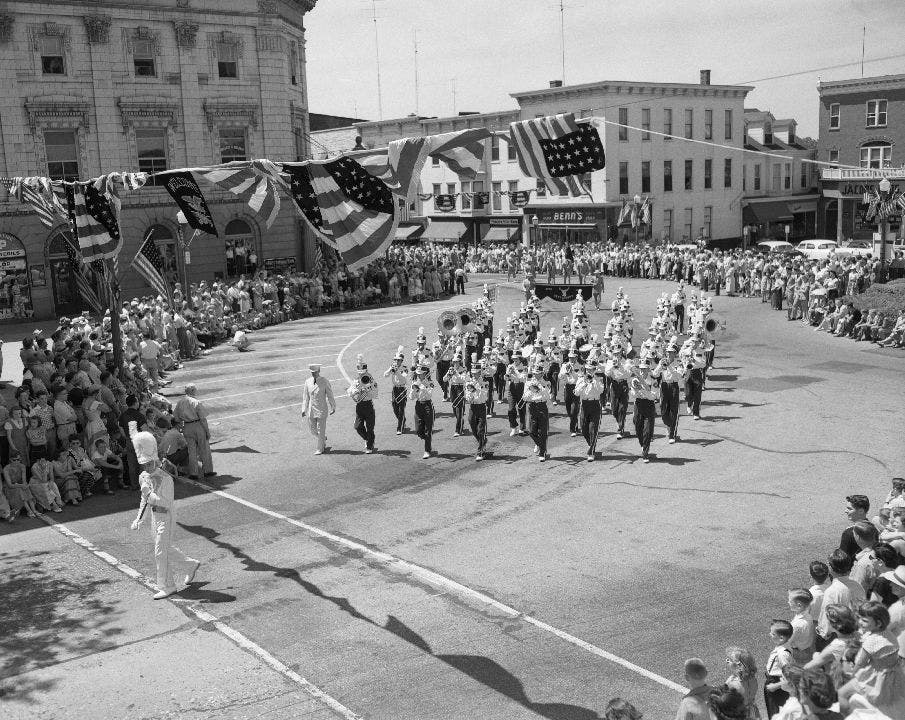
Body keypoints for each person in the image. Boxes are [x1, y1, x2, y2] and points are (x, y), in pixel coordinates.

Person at [129, 429, 201, 600]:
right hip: (155, 517)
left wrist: (149, 494)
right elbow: (143, 500)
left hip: (167, 516)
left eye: (149, 463)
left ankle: (167, 586)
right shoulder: (143, 477)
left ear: (156, 461)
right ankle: (190, 565)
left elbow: (164, 502)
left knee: (160, 552)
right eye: (144, 465)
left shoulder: (166, 479)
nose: (147, 467)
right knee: (165, 548)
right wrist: (139, 518)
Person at [173, 383, 214, 478]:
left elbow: (176, 417)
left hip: (187, 426)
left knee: (191, 451)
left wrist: (183, 424)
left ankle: (194, 472)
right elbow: (203, 419)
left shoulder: (180, 402)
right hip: (198, 425)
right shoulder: (196, 402)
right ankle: (207, 471)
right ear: (192, 391)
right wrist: (207, 432)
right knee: (204, 449)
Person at [301, 363, 335, 455]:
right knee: (313, 430)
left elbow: (330, 395)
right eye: (312, 372)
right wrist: (304, 409)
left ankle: (320, 448)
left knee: (321, 430)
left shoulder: (324, 381)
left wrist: (333, 406)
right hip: (311, 410)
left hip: (322, 409)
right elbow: (305, 397)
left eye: (315, 372)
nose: (313, 374)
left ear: (319, 371)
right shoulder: (307, 381)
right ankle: (323, 438)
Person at [763, 620, 794, 718]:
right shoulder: (783, 646)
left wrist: (775, 686)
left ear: (781, 638)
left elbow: (789, 675)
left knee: (775, 711)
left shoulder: (782, 654)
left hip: (776, 684)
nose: (769, 634)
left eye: (772, 633)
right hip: (775, 681)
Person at [630, 358, 658, 463]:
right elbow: (632, 394)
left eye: (644, 369)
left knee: (647, 430)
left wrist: (644, 391)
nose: (642, 371)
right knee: (638, 427)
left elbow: (654, 396)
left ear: (648, 369)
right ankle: (643, 444)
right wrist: (637, 390)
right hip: (639, 404)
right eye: (641, 369)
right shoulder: (635, 380)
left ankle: (645, 453)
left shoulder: (653, 381)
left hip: (649, 405)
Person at [576, 362, 605, 462]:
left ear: (594, 370)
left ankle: (591, 452)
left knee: (593, 429)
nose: (589, 371)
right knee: (584, 429)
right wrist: (584, 383)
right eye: (588, 369)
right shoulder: (580, 379)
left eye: (591, 369)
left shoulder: (598, 379)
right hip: (584, 404)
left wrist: (593, 381)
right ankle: (592, 445)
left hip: (595, 404)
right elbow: (576, 393)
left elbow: (600, 390)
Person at [348, 356, 378, 453]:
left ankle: (369, 446)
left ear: (366, 370)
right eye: (360, 373)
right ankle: (368, 439)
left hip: (368, 405)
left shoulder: (371, 380)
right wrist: (354, 391)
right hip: (359, 406)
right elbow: (349, 391)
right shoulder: (356, 380)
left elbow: (375, 394)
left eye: (363, 373)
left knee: (370, 428)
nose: (361, 375)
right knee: (357, 426)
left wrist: (368, 389)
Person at [724, 646, 760, 719]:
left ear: (737, 666)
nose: (727, 661)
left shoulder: (732, 682)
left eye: (729, 660)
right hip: (752, 711)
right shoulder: (753, 679)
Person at [464, 357, 489, 461]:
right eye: (473, 373)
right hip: (472, 407)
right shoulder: (469, 382)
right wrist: (470, 392)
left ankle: (480, 451)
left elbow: (484, 397)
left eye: (476, 373)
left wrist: (475, 390)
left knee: (481, 430)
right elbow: (468, 398)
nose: (474, 375)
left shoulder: (484, 382)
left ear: (480, 372)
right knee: (473, 427)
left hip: (481, 407)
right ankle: (482, 442)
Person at [409, 364, 435, 459]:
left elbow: (430, 395)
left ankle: (427, 450)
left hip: (427, 405)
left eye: (421, 374)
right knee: (419, 430)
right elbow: (411, 397)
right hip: (418, 406)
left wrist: (423, 386)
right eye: (418, 374)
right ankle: (428, 440)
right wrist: (414, 390)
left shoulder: (430, 382)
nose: (419, 376)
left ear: (425, 373)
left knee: (428, 429)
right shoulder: (415, 382)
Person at [384, 346, 409, 435]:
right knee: (395, 408)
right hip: (395, 389)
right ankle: (403, 420)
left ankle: (400, 428)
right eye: (395, 360)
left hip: (402, 389)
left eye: (398, 360)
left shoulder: (404, 368)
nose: (396, 361)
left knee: (401, 408)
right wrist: (391, 369)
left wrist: (397, 371)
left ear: (401, 361)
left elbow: (403, 379)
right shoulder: (393, 366)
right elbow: (385, 375)